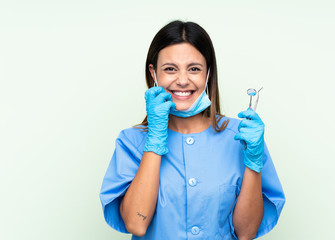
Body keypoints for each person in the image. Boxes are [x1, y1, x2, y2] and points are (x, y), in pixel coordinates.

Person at [99, 20, 285, 240]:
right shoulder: (131, 141)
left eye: (194, 69)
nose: (182, 80)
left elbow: (246, 233)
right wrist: (155, 140)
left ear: (208, 73)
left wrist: (253, 162)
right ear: (153, 73)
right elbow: (136, 224)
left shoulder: (243, 137)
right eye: (170, 69)